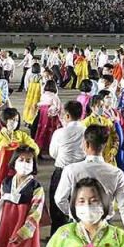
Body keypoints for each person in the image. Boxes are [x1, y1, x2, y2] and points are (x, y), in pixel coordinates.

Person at [54, 124, 124, 245]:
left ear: (85, 144)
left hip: (79, 225)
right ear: (104, 145)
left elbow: (59, 199)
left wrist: (74, 214)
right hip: (105, 227)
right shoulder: (116, 173)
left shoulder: (71, 170)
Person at [48, 100, 86, 233]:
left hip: (62, 172)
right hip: (81, 173)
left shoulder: (59, 133)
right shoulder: (86, 131)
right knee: (79, 203)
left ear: (67, 116)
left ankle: (57, 236)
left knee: (57, 205)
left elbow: (53, 153)